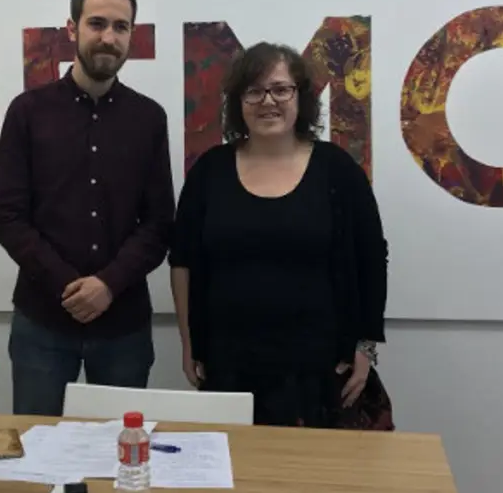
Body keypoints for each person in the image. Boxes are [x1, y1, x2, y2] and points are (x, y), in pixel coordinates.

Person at [168, 42, 393, 429]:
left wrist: (366, 346)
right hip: (230, 365)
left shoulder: (337, 170)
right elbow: (183, 262)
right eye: (253, 91)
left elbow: (372, 258)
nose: (267, 101)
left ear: (300, 97)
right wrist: (190, 345)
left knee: (318, 482)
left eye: (280, 89)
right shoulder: (210, 171)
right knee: (237, 480)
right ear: (238, 101)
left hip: (321, 368)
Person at [0, 0, 175, 416]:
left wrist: (108, 285)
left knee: (121, 455)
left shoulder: (149, 119)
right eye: (97, 24)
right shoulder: (28, 112)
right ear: (71, 29)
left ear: (132, 34)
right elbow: (7, 215)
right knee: (35, 452)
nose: (108, 37)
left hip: (124, 324)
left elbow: (160, 222)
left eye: (121, 27)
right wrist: (69, 286)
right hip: (42, 322)